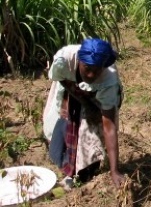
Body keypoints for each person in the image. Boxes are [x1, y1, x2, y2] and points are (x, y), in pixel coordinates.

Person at [43, 38, 124, 188]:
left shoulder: (109, 81)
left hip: (97, 98)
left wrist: (115, 170)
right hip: (73, 89)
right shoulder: (64, 60)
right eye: (87, 68)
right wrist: (79, 99)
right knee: (56, 150)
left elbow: (109, 127)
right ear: (79, 60)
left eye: (97, 70)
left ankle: (83, 172)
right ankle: (70, 166)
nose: (92, 75)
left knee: (91, 134)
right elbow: (61, 79)